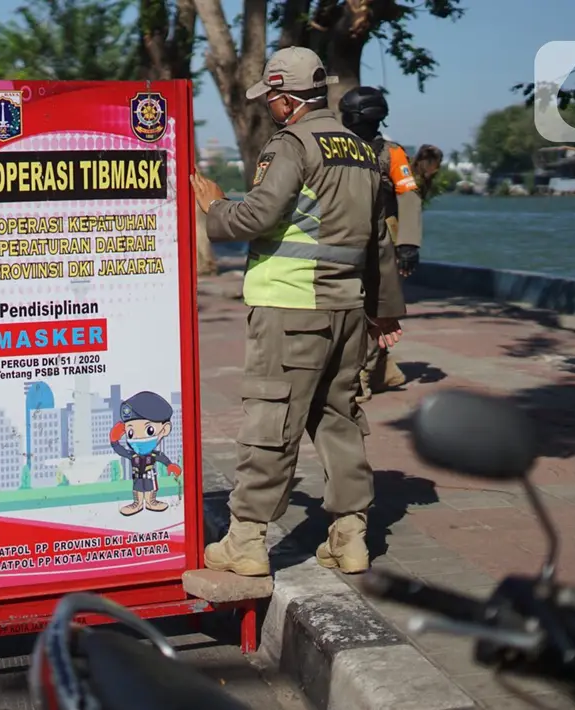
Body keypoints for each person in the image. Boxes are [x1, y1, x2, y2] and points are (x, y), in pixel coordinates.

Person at [188, 47, 405, 577]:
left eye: (272, 100)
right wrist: (384, 312)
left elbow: (258, 216)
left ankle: (245, 541)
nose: (270, 109)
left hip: (291, 305)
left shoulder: (291, 144)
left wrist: (214, 205)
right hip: (348, 308)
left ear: (286, 99)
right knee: (340, 421)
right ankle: (351, 538)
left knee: (273, 419)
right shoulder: (360, 148)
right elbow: (378, 240)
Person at [339, 87, 423, 401]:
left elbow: (408, 195)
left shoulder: (391, 153)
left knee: (376, 311)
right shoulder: (336, 147)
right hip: (342, 239)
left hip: (380, 241)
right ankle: (371, 373)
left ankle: (359, 379)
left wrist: (408, 243)